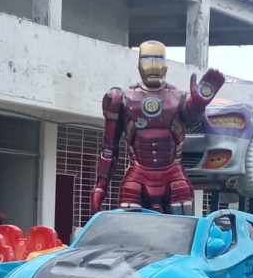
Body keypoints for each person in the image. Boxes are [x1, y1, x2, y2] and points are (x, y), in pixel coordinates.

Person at [90, 40, 225, 215]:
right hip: (138, 175)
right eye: (147, 58)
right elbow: (109, 149)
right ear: (139, 62)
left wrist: (198, 104)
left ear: (166, 63)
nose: (152, 65)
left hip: (173, 174)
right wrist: (100, 187)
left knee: (182, 230)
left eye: (157, 58)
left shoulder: (178, 98)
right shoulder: (122, 99)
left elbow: (191, 117)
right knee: (133, 231)